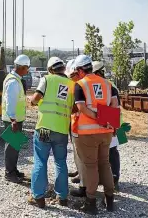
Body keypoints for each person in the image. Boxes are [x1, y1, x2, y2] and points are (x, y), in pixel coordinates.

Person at [74, 55, 119, 214]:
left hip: (88, 133)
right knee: (105, 164)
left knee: (91, 166)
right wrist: (108, 122)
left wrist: (98, 119)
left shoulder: (80, 85)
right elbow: (114, 105)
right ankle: (110, 200)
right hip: (106, 132)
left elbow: (81, 107)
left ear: (80, 70)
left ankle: (91, 203)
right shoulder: (108, 84)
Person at [28, 57, 75, 208]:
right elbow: (73, 108)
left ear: (50, 69)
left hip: (44, 128)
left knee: (41, 160)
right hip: (61, 129)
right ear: (62, 68)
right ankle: (62, 197)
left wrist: (32, 101)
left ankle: (38, 197)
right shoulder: (72, 84)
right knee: (60, 162)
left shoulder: (46, 79)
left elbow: (36, 98)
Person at [1, 54, 30, 183]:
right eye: (27, 68)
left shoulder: (16, 79)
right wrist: (13, 120)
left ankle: (13, 170)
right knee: (11, 146)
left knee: (15, 145)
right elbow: (10, 101)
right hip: (12, 119)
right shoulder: (13, 81)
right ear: (22, 67)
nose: (28, 70)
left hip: (16, 119)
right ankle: (9, 173)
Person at [92, 61, 121, 191]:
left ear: (99, 72)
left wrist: (113, 126)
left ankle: (114, 178)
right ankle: (104, 178)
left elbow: (115, 107)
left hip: (111, 121)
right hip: (103, 122)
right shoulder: (98, 84)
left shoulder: (110, 86)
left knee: (112, 151)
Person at [66, 60, 87, 198]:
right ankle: (82, 176)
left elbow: (77, 106)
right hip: (83, 125)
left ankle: (84, 187)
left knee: (84, 157)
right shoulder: (82, 83)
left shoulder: (81, 85)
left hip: (82, 126)